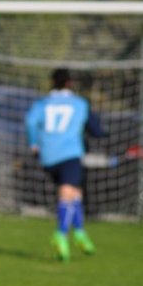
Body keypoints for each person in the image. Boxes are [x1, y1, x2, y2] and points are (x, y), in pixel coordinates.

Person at [25, 68, 106, 262]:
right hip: (69, 154)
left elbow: (30, 121)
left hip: (47, 156)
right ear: (70, 83)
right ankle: (61, 234)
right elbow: (96, 130)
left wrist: (33, 143)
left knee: (76, 193)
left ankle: (79, 232)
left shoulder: (42, 103)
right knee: (68, 192)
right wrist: (102, 133)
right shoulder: (79, 104)